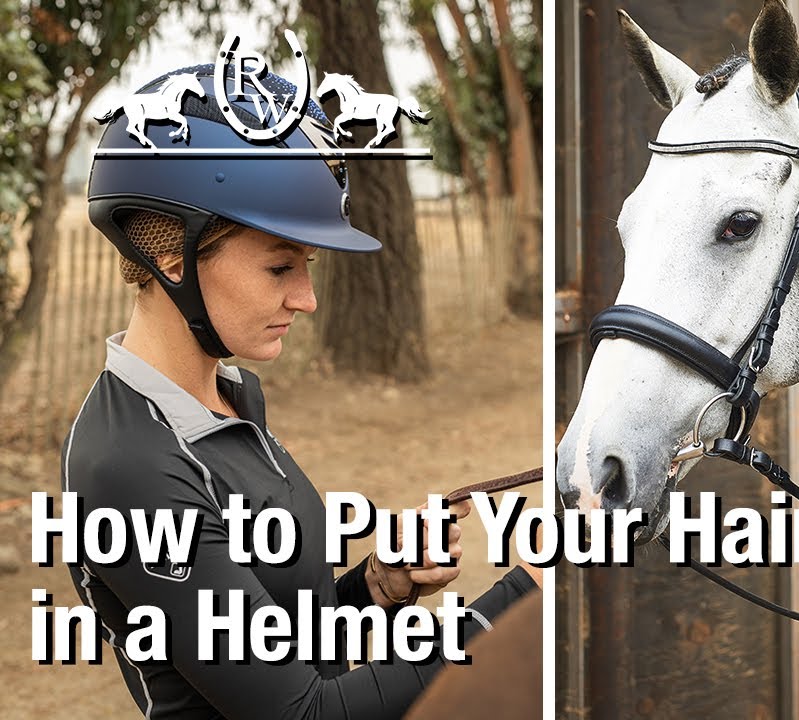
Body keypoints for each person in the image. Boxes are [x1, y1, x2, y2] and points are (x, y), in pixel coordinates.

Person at [65, 66, 539, 719]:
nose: (307, 299)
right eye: (280, 266)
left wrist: (376, 585)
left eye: (307, 268)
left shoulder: (224, 403)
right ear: (171, 254)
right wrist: (531, 592)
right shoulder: (130, 464)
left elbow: (275, 638)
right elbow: (300, 712)